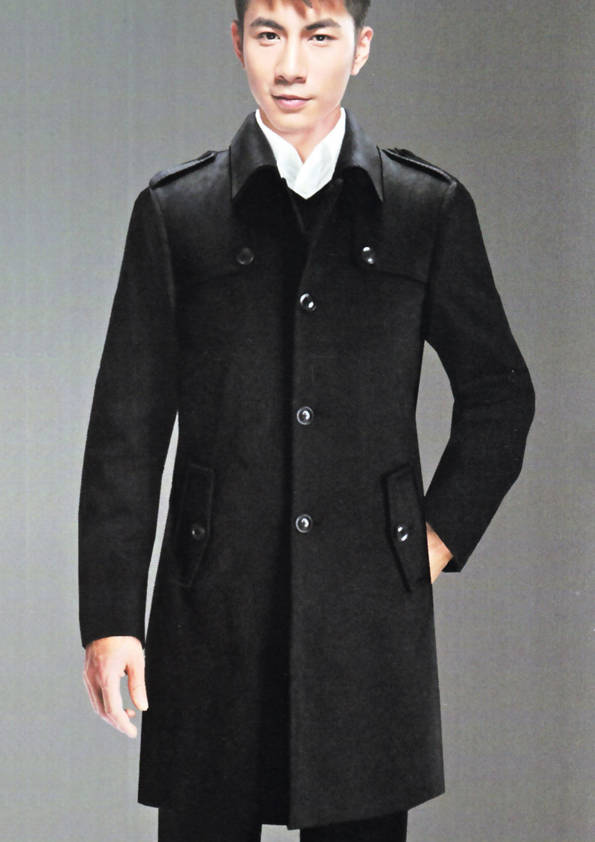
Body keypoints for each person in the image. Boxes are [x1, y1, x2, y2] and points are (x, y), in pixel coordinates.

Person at [79, 1, 535, 840]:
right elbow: (125, 430)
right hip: (211, 608)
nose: (291, 65)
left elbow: (500, 392)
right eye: (269, 34)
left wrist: (429, 541)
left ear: (359, 48)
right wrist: (110, 619)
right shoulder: (177, 213)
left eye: (319, 35)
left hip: (364, 624)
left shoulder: (423, 208)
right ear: (237, 43)